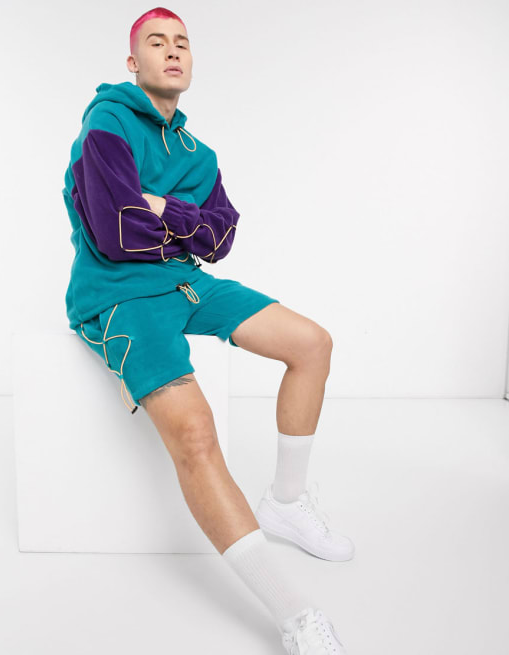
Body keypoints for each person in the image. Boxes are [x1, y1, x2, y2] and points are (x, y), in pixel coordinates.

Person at [62, 7, 355, 653]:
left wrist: (161, 207)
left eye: (182, 43)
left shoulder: (200, 153)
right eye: (156, 42)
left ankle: (286, 502)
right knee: (195, 435)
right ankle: (295, 615)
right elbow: (116, 232)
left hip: (186, 282)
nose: (172, 51)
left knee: (311, 344)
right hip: (118, 296)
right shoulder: (106, 124)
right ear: (133, 62)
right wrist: (181, 220)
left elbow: (220, 240)